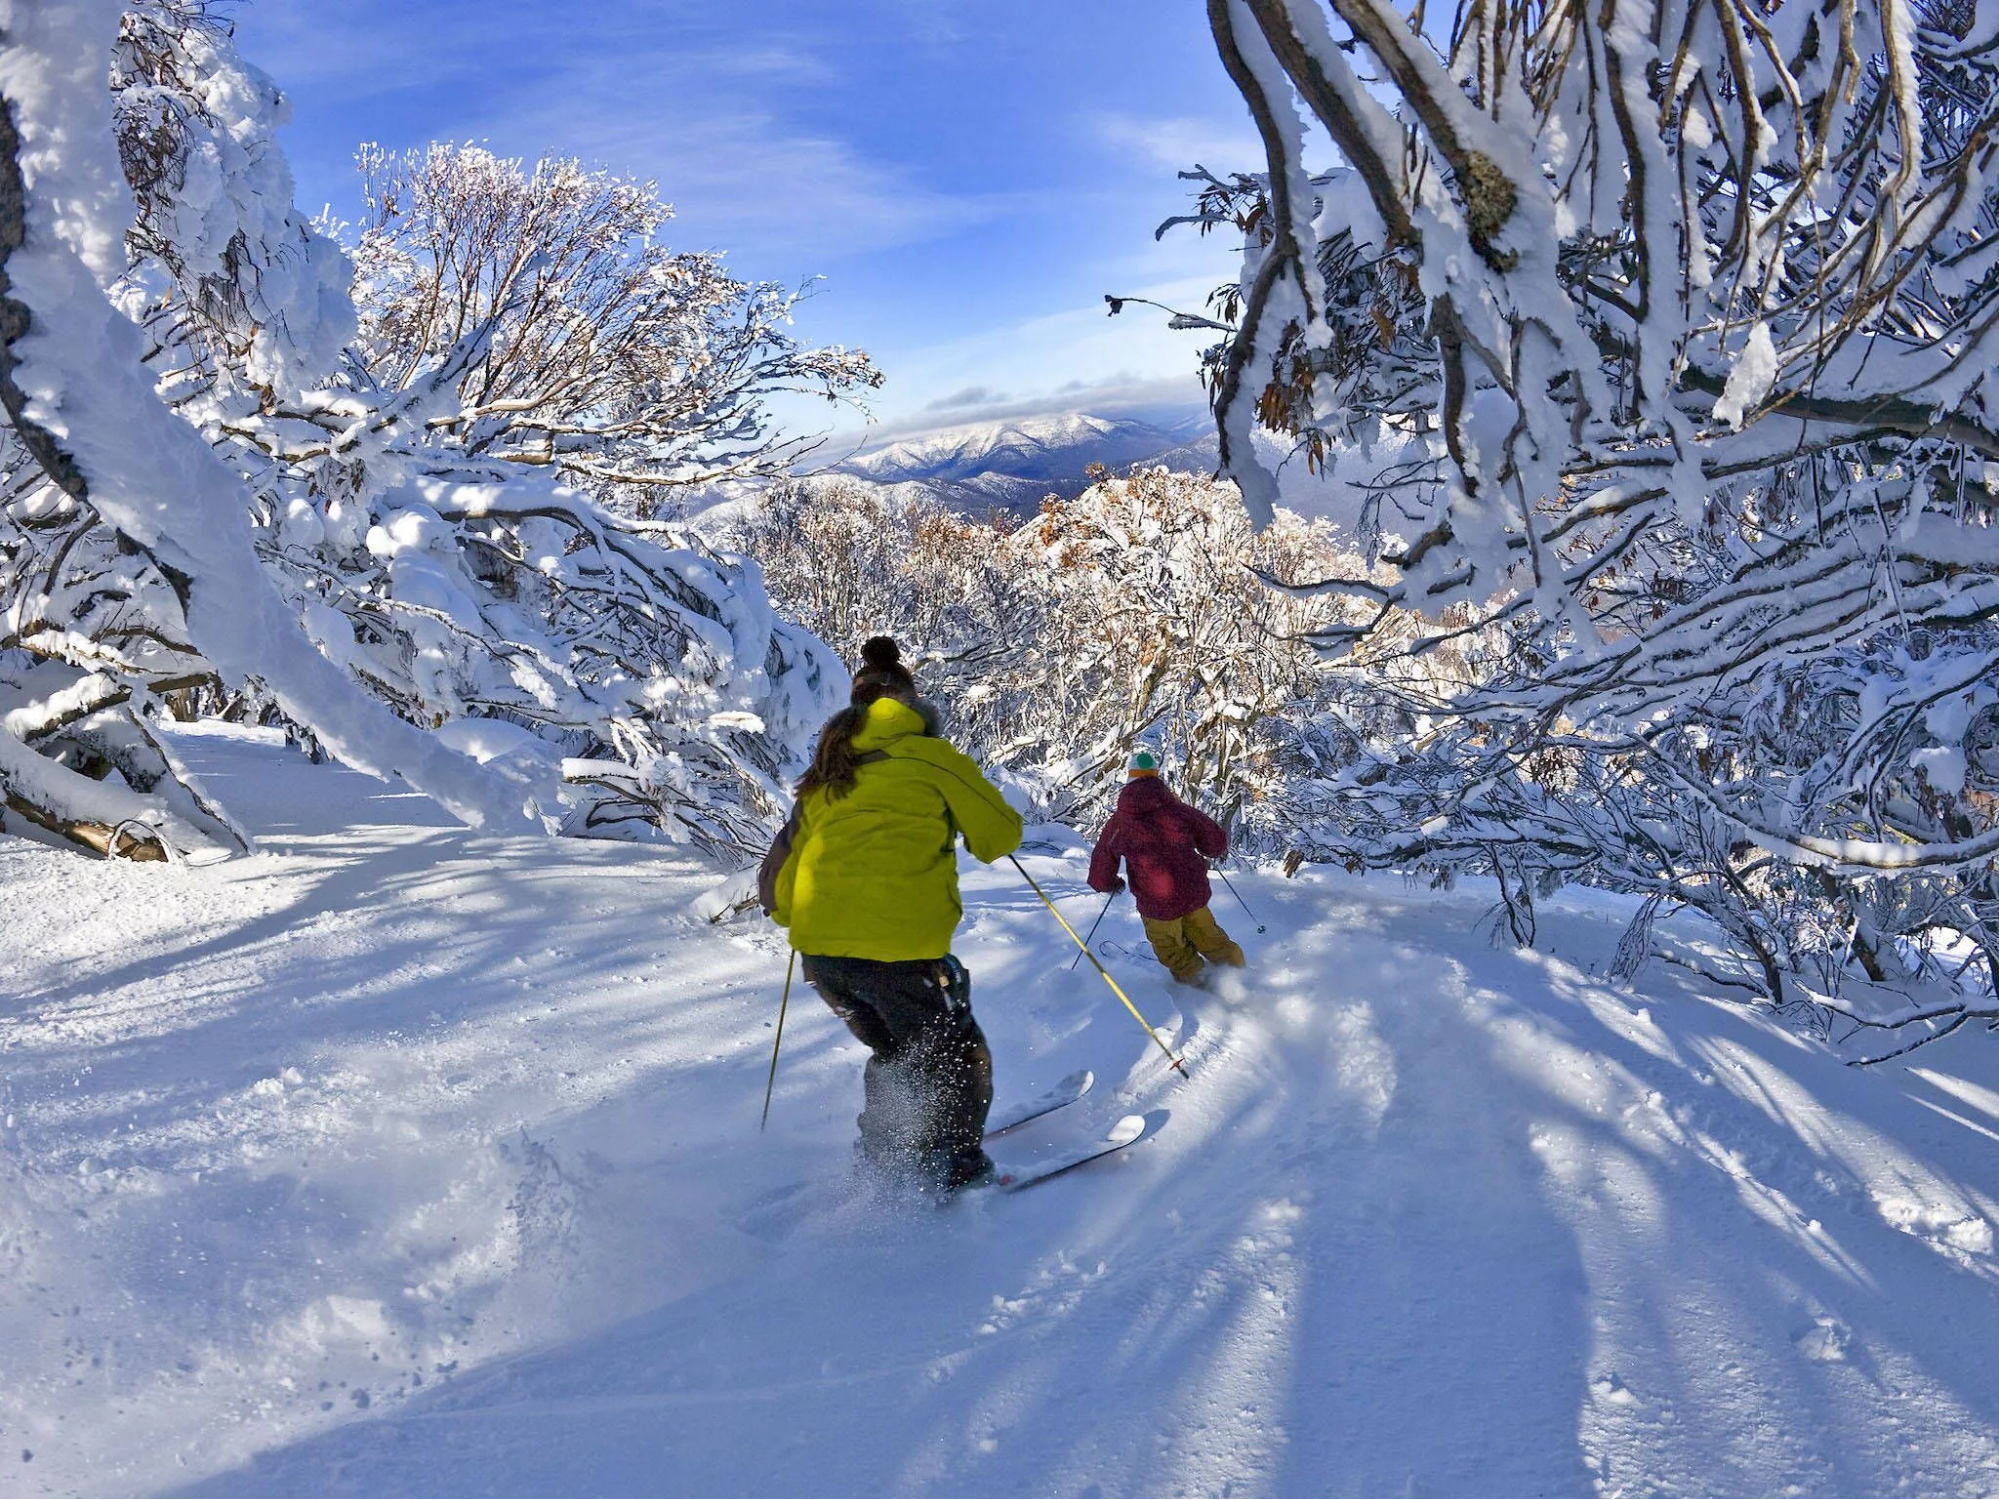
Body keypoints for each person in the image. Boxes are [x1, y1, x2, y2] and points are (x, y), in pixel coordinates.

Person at [759, 636, 1023, 1191]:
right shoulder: (932, 758)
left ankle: (888, 1148)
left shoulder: (829, 774)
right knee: (955, 1052)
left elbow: (782, 883)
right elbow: (999, 837)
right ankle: (957, 1164)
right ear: (910, 705)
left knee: (899, 1051)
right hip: (900, 954)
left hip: (823, 960)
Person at [1087, 749, 1246, 985]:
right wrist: (1205, 848)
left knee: (1172, 951)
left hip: (1157, 905)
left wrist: (1108, 884)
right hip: (1193, 894)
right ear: (1156, 777)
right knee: (1211, 940)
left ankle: (1200, 988)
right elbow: (1216, 843)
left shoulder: (1121, 822)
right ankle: (1240, 980)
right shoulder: (1179, 811)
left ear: (1130, 778)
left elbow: (1103, 859)